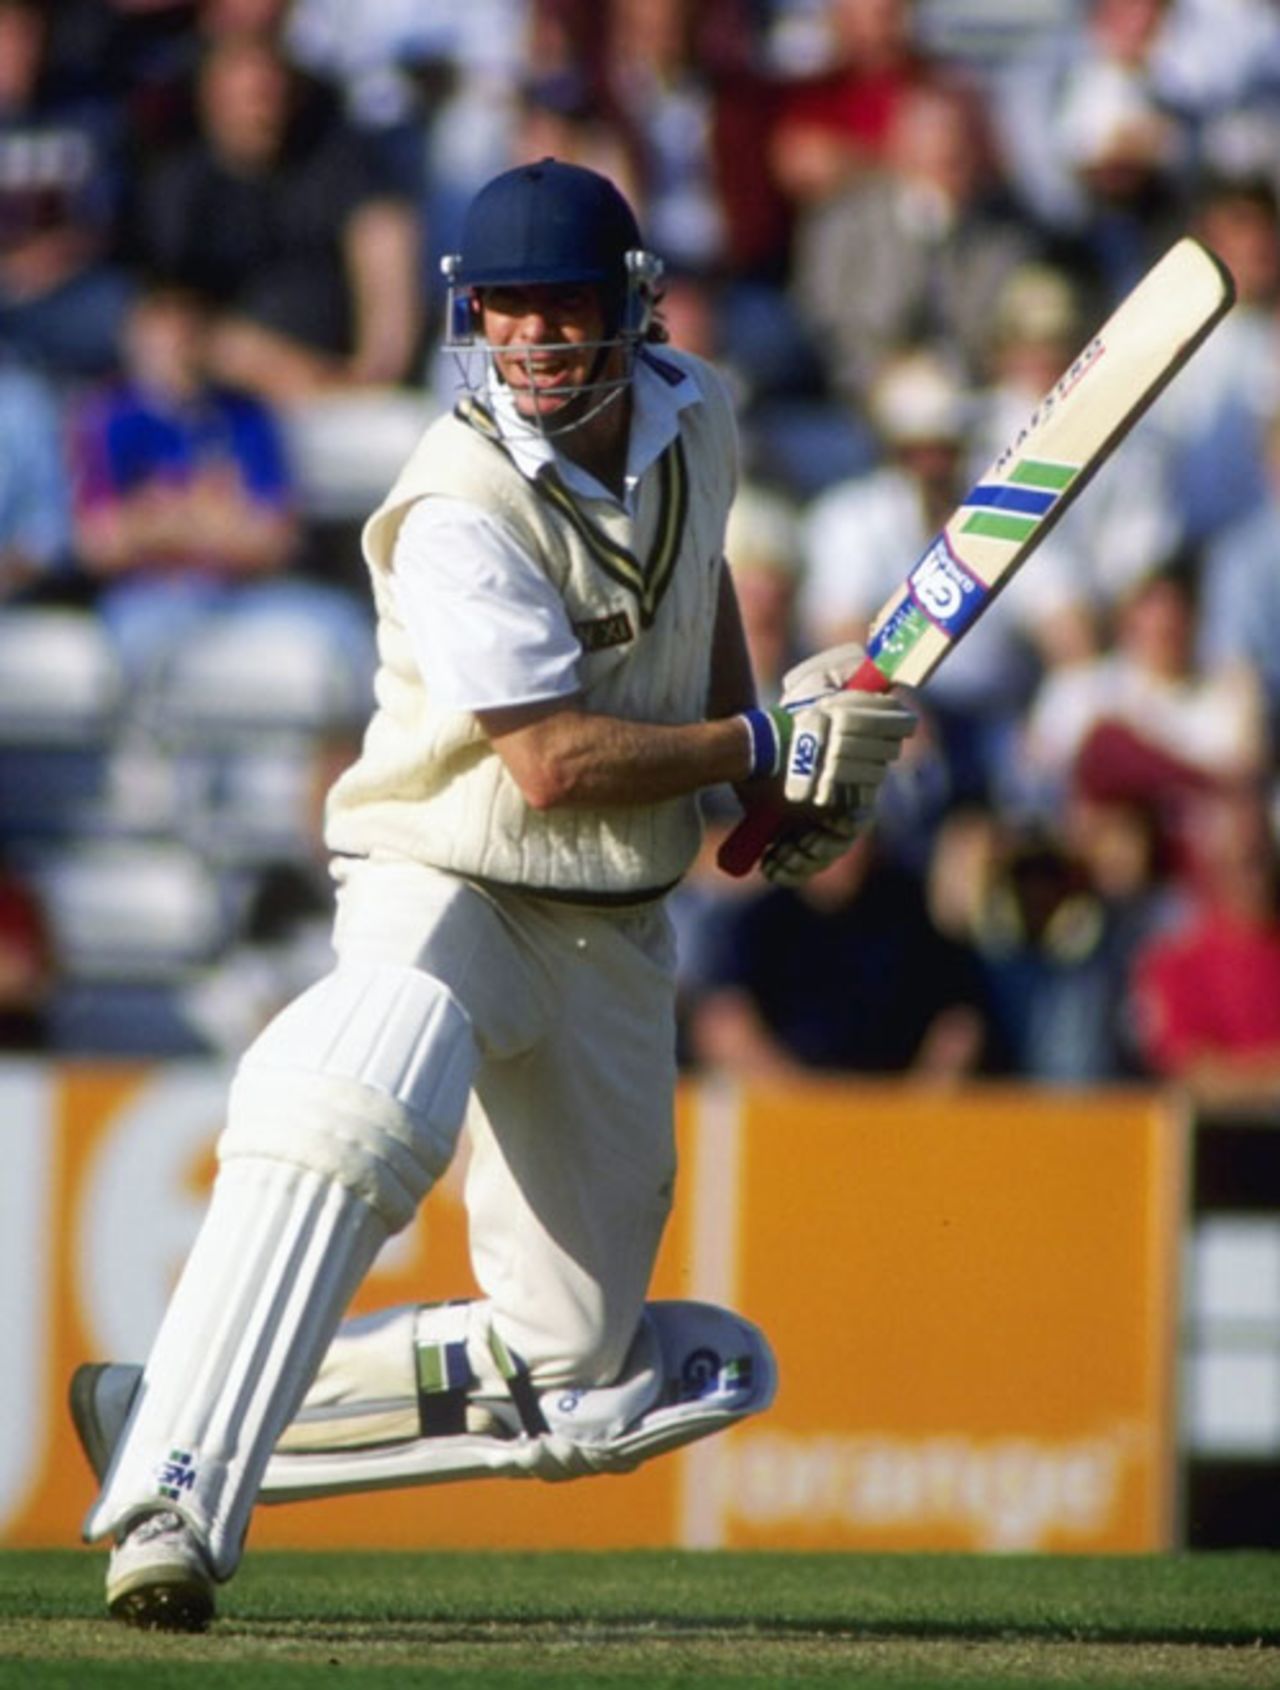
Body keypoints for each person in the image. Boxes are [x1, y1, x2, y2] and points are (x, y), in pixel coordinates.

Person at [69, 158, 916, 1630]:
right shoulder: (452, 501)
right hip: (445, 871)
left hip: (613, 924)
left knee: (580, 1372)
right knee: (365, 1082)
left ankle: (172, 1402)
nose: (532, 339)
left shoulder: (699, 410)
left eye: (562, 308)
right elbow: (551, 760)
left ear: (630, 309)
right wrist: (765, 735)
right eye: (506, 309)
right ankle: (171, 1497)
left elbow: (692, 577)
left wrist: (757, 784)